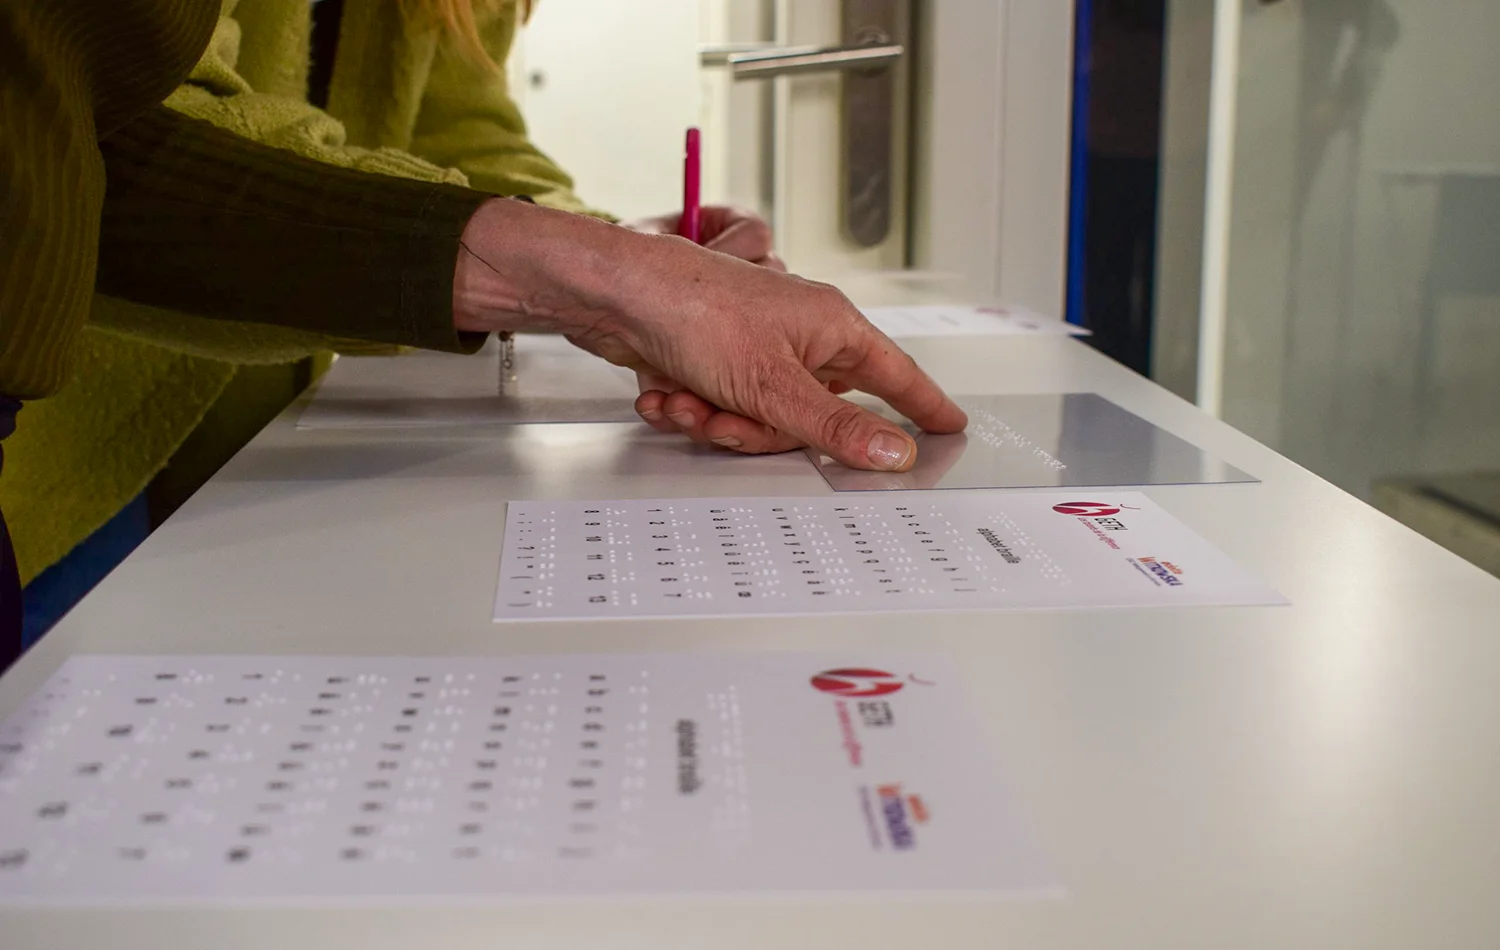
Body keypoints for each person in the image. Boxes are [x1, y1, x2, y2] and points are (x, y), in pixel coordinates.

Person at [0, 0, 967, 664]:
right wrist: (601, 280)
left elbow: (461, 125)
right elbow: (105, 129)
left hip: (276, 416)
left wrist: (607, 249)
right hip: (79, 416)